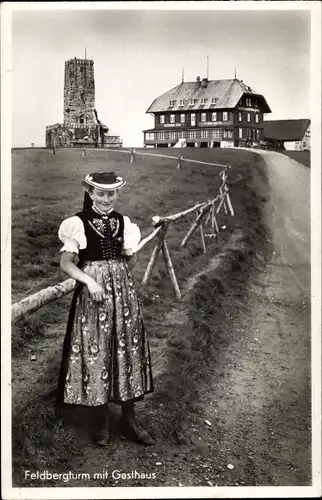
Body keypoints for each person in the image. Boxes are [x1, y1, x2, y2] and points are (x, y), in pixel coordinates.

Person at [57, 171, 154, 447]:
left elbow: (130, 259)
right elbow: (66, 263)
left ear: (117, 194)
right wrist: (91, 280)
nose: (106, 199)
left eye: (111, 193)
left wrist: (119, 275)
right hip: (94, 298)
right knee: (96, 349)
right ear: (90, 194)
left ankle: (130, 418)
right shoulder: (78, 223)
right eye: (100, 193)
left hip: (123, 296)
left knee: (127, 350)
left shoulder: (123, 222)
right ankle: (101, 422)